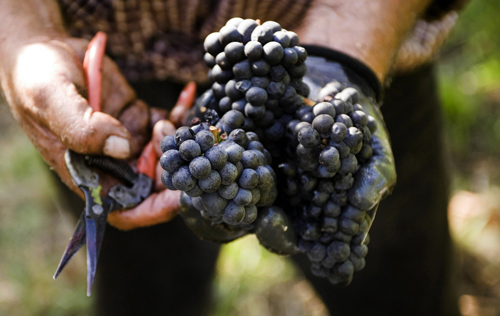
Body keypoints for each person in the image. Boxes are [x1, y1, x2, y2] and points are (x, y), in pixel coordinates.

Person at [0, 0, 465, 315]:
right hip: (108, 74)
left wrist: (344, 58)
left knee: (398, 290)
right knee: (146, 292)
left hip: (350, 53)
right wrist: (24, 37)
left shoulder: (330, 117)